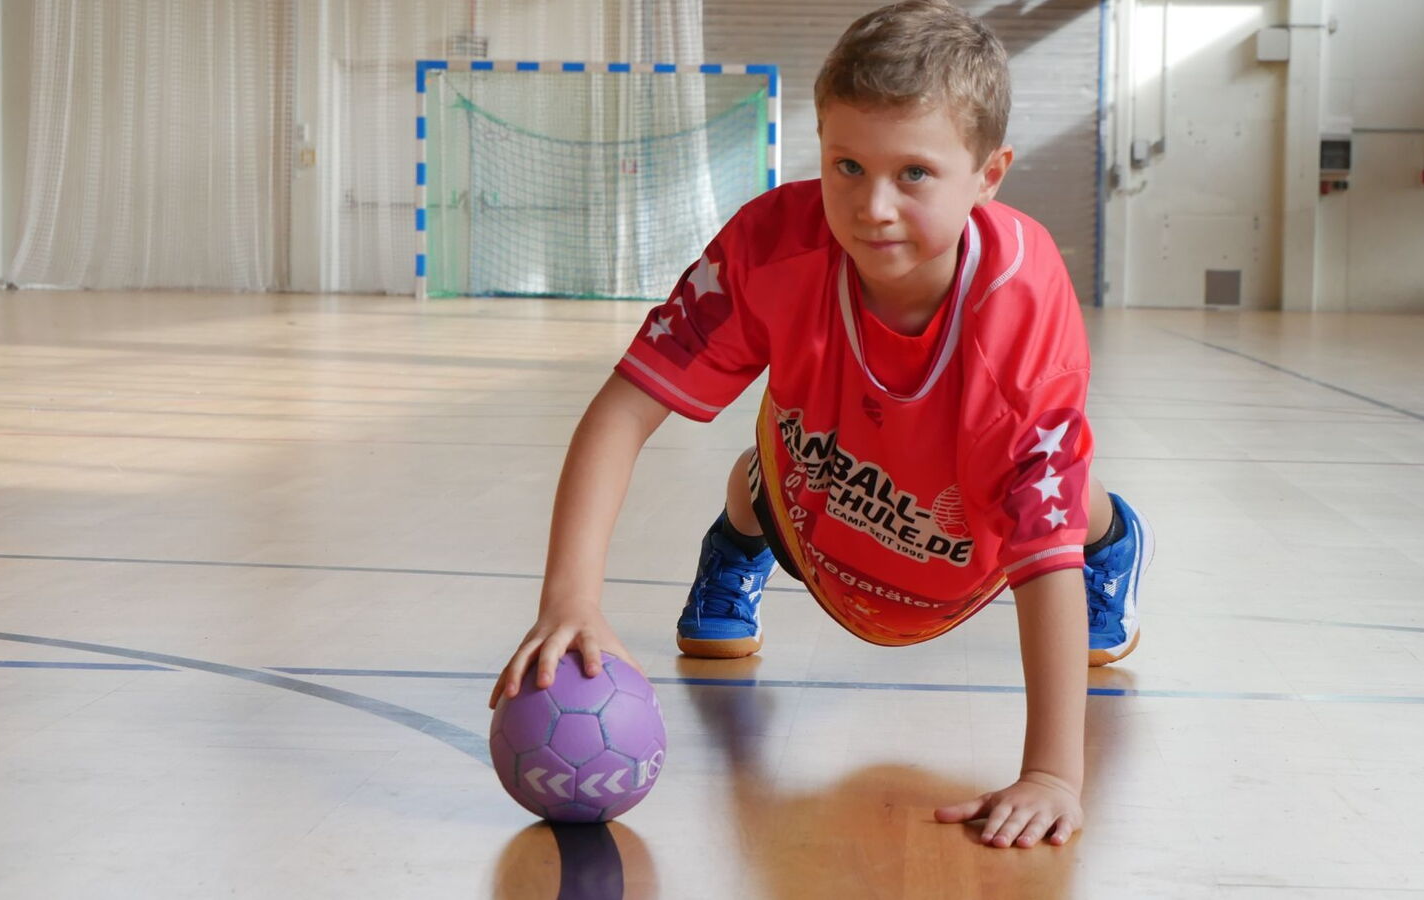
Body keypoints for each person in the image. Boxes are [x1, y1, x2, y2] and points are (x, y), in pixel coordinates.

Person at [490, 0, 1152, 850]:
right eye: (847, 165)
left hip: (964, 540)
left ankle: (1113, 544)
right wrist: (569, 600)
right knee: (762, 473)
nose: (873, 205)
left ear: (989, 175)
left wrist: (1054, 774)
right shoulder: (771, 247)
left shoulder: (1019, 304)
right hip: (824, 493)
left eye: (914, 174)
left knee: (1057, 491)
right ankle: (736, 552)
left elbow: (1040, 544)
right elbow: (624, 407)